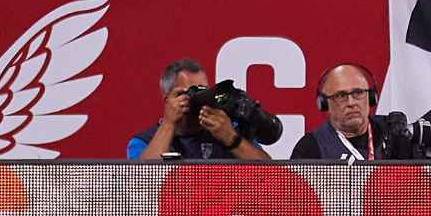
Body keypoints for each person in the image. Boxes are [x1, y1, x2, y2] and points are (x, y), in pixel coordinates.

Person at [127, 59, 271, 162]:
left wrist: (232, 140)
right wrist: (168, 124)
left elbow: (273, 176)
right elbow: (142, 179)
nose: (195, 99)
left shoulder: (224, 130)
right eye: (185, 93)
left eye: (202, 91)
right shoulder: (145, 140)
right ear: (167, 100)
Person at [290, 64, 381, 160]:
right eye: (340, 96)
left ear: (371, 97)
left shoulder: (392, 134)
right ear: (324, 104)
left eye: (358, 93)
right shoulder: (310, 148)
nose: (351, 102)